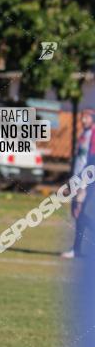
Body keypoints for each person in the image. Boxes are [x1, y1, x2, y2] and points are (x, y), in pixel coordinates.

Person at [65, 109, 94, 258]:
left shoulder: (93, 135)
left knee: (82, 214)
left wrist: (84, 184)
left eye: (87, 117)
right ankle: (76, 249)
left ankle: (76, 249)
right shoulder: (84, 134)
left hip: (87, 182)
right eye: (82, 117)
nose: (83, 120)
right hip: (78, 180)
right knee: (77, 214)